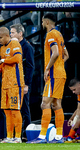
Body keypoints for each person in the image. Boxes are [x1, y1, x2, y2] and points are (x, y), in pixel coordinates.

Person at [27, 13, 69, 144]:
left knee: (45, 103)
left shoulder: (51, 34)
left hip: (54, 75)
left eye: (42, 22)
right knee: (56, 105)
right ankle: (58, 137)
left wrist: (47, 68)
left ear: (46, 22)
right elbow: (66, 54)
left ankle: (42, 136)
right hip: (60, 73)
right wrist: (59, 65)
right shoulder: (59, 34)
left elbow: (56, 52)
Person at [0, 27, 24, 143]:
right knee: (7, 111)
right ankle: (9, 137)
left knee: (15, 110)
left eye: (0, 37)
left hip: (15, 83)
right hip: (5, 84)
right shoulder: (2, 49)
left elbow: (17, 58)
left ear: (7, 36)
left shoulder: (14, 43)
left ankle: (18, 137)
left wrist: (2, 61)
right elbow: (4, 63)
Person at [10, 24, 35, 140]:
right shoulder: (12, 46)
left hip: (22, 83)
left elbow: (30, 67)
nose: (11, 35)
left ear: (20, 34)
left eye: (13, 32)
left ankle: (26, 135)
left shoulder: (27, 47)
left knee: (24, 109)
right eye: (10, 33)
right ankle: (15, 134)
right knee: (14, 109)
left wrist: (27, 85)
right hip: (13, 83)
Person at [64, 78, 80, 143]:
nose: (73, 92)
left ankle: (70, 136)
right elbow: (78, 109)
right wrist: (71, 119)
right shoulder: (79, 94)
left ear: (79, 85)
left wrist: (77, 121)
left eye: (74, 90)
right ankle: (70, 136)